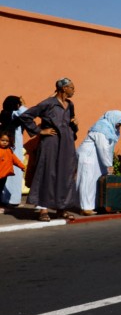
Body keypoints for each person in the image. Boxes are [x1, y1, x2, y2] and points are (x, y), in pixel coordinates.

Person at [19, 78, 79, 221]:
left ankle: (61, 209)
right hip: (50, 143)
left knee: (64, 174)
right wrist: (40, 131)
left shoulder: (70, 105)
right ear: (64, 88)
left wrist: (75, 124)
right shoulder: (48, 103)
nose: (74, 90)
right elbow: (26, 116)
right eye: (72, 87)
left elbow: (70, 124)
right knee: (47, 173)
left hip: (66, 144)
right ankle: (43, 210)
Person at [75, 110, 121, 215]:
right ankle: (85, 208)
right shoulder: (101, 128)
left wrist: (110, 159)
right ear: (114, 118)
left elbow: (108, 147)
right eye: (119, 122)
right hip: (88, 157)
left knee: (96, 182)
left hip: (98, 159)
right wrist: (109, 164)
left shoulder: (111, 128)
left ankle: (95, 205)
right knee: (87, 182)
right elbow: (102, 147)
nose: (120, 125)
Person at [0, 96, 27, 207]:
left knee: (14, 176)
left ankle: (12, 200)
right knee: (9, 177)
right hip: (11, 152)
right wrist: (22, 104)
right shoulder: (11, 115)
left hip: (15, 151)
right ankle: (7, 201)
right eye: (17, 104)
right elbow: (26, 113)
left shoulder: (9, 115)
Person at [0, 131, 26, 214]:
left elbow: (15, 160)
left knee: (0, 190)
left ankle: (1, 204)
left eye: (7, 141)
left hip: (4, 175)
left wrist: (22, 166)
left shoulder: (9, 151)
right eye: (2, 140)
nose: (4, 142)